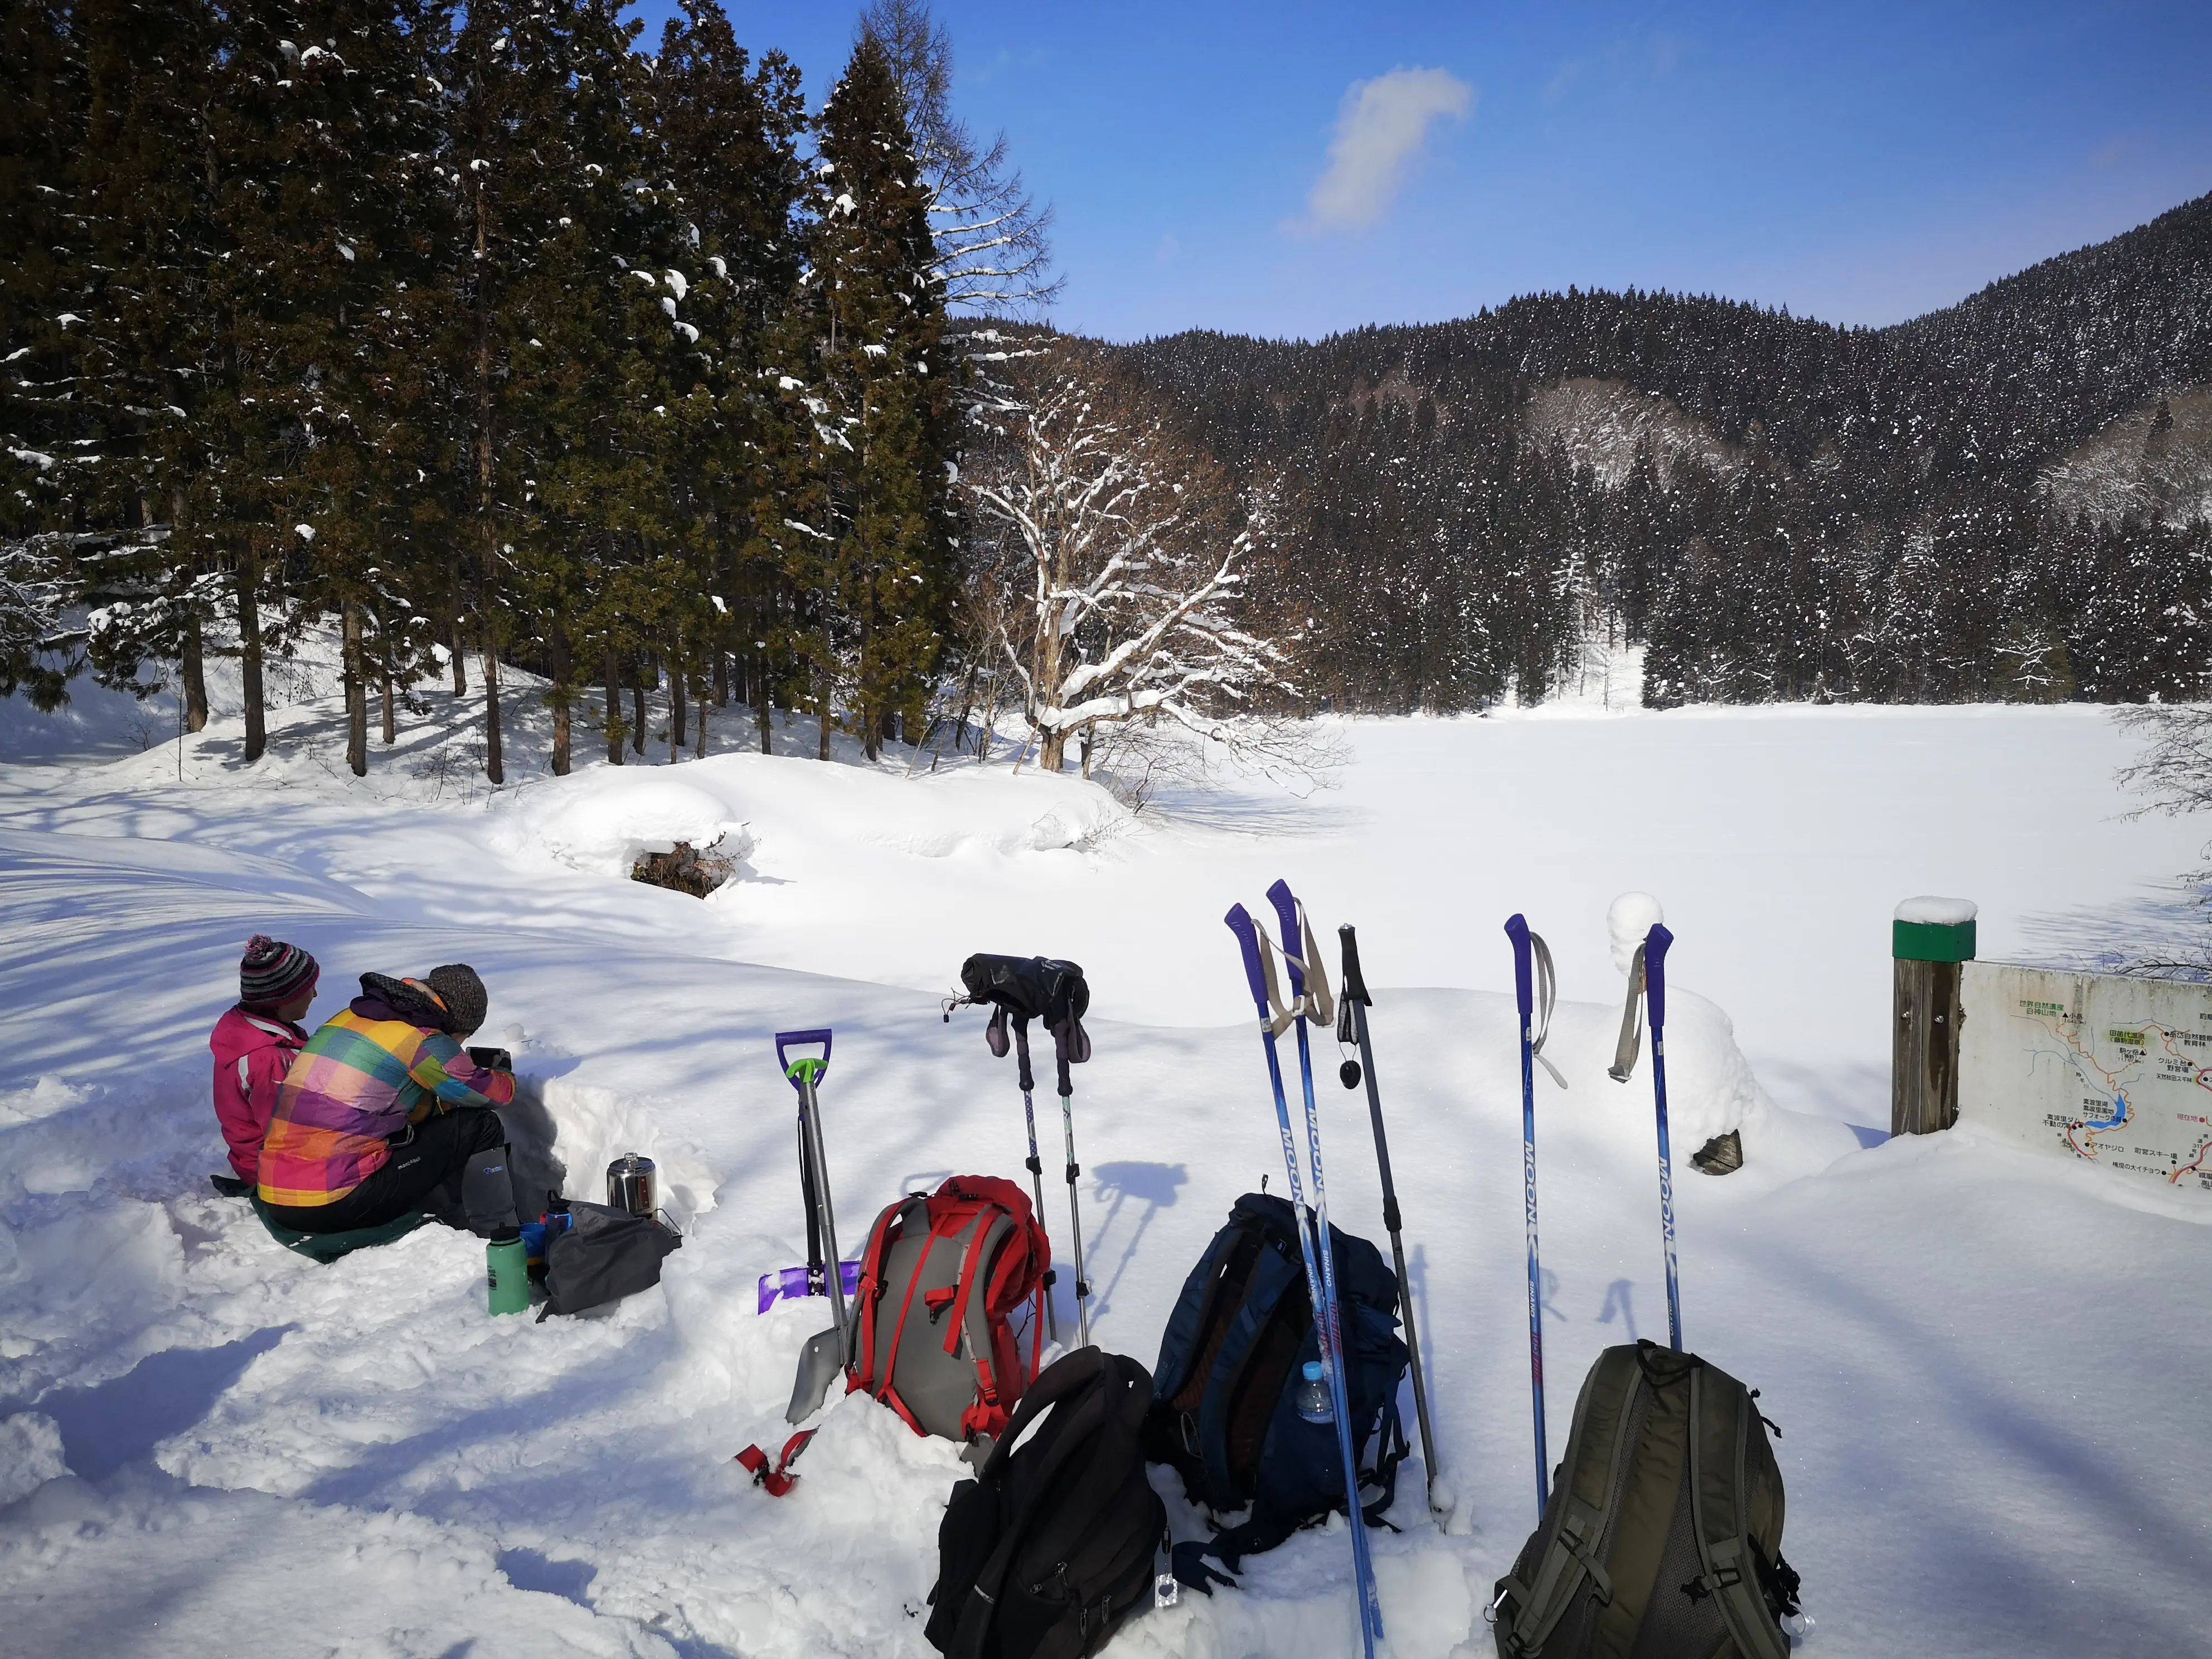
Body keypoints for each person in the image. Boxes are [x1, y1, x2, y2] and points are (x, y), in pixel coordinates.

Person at [256, 963, 517, 1236]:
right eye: (462, 1038)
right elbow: (491, 1093)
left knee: (427, 1127)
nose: (459, 1049)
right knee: (479, 1126)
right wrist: (503, 1071)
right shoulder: (424, 1038)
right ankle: (499, 1233)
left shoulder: (349, 1017)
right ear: (456, 1023)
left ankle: (450, 1210)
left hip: (277, 1194)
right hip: (333, 1201)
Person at [209, 936, 321, 1195]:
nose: (315, 995)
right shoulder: (268, 1058)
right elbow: (288, 1133)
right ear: (284, 998)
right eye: (309, 988)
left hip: (258, 1162)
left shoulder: (258, 1032)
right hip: (277, 1173)